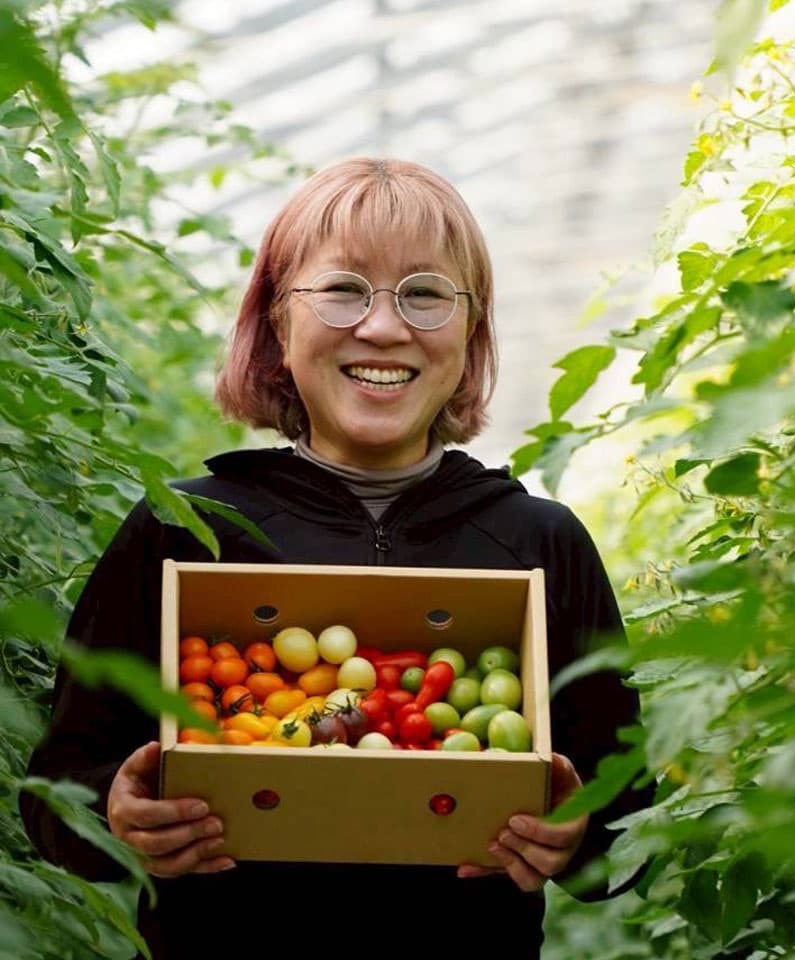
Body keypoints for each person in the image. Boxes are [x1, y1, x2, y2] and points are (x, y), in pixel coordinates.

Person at [20, 158, 652, 958]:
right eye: (343, 289)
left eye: (425, 293)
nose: (383, 327)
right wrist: (114, 811)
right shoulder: (185, 531)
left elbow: (632, 838)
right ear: (279, 326)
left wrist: (580, 834)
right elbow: (53, 799)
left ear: (471, 332)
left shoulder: (539, 546)